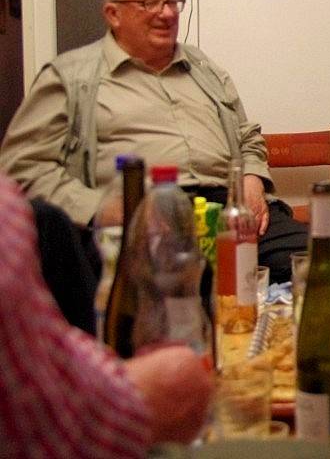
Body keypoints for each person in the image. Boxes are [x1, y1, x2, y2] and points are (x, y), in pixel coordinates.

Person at [0, 0, 306, 283]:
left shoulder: (203, 68)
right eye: (150, 3)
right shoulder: (70, 76)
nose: (168, 13)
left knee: (317, 266)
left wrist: (253, 180)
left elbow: (246, 135)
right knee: (185, 290)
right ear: (113, 14)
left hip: (228, 210)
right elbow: (22, 167)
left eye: (172, 2)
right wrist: (102, 208)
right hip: (143, 219)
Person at [0, 174, 213, 457]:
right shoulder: (9, 218)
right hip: (109, 217)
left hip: (196, 203)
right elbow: (61, 431)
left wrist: (252, 175)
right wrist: (98, 209)